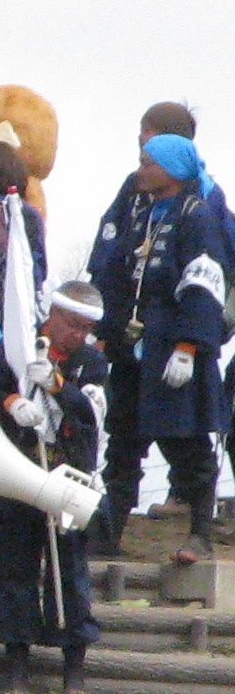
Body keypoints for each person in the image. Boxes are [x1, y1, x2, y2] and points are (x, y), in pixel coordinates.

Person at [0, 277, 106, 694]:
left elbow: (90, 413)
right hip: (18, 465)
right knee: (12, 565)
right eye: (71, 325)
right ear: (52, 315)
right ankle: (16, 660)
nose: (78, 335)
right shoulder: (13, 349)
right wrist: (11, 402)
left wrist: (57, 386)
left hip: (68, 469)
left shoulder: (92, 361)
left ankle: (74, 665)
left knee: (69, 569)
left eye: (85, 328)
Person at [125, 131, 226, 554]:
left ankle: (201, 533)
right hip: (143, 343)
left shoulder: (196, 216)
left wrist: (188, 347)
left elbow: (205, 283)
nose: (141, 170)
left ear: (173, 169)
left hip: (176, 344)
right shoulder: (145, 214)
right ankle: (109, 529)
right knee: (134, 434)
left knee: (187, 440)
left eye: (149, 163)